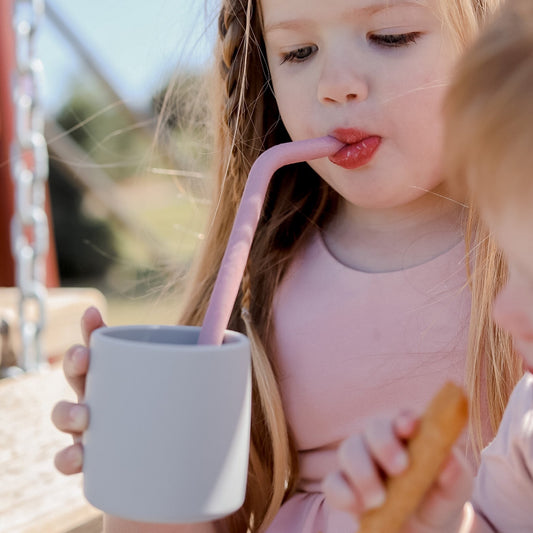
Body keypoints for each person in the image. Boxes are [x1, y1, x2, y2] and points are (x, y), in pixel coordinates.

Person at [50, 0, 522, 531]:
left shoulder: (516, 277)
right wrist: (143, 471)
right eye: (298, 52)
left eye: (391, 36)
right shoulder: (263, 281)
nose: (335, 85)